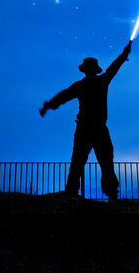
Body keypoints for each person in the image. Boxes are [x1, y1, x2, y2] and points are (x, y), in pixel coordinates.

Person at [39, 41, 132, 200]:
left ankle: (72, 192)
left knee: (79, 161)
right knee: (105, 162)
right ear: (95, 69)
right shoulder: (102, 81)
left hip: (84, 127)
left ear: (86, 70)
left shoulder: (80, 85)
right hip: (98, 128)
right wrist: (124, 54)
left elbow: (63, 96)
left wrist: (49, 105)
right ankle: (111, 194)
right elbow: (114, 67)